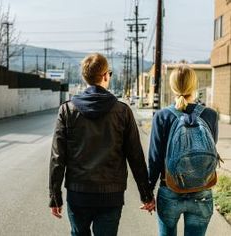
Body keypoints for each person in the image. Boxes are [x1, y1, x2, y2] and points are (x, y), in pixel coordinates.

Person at [49, 53, 155, 236]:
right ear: (106, 75)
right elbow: (135, 156)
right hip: (111, 195)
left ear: (85, 77)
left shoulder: (67, 110)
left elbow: (58, 158)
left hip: (78, 193)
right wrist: (146, 194)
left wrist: (55, 196)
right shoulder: (122, 111)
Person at [148, 65, 218, 236]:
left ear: (172, 87)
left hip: (170, 188)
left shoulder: (162, 116)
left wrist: (147, 193)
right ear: (194, 85)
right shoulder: (210, 115)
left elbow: (155, 159)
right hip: (201, 190)